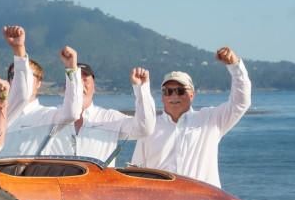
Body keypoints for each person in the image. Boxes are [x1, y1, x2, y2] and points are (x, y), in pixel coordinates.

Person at [131, 47, 250, 187]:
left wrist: (235, 66)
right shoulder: (150, 127)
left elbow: (241, 102)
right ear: (162, 96)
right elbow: (135, 171)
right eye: (168, 91)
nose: (174, 96)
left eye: (180, 91)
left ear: (192, 95)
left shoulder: (210, 120)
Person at [39, 61, 156, 164]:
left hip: (97, 187)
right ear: (66, 87)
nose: (79, 85)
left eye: (85, 80)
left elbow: (144, 129)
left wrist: (141, 88)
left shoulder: (109, 119)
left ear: (94, 87)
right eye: (75, 80)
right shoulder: (50, 117)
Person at [0, 46, 86, 156]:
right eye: (14, 75)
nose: (19, 80)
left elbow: (72, 113)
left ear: (39, 83)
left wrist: (71, 68)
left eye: (27, 75)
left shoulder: (48, 115)